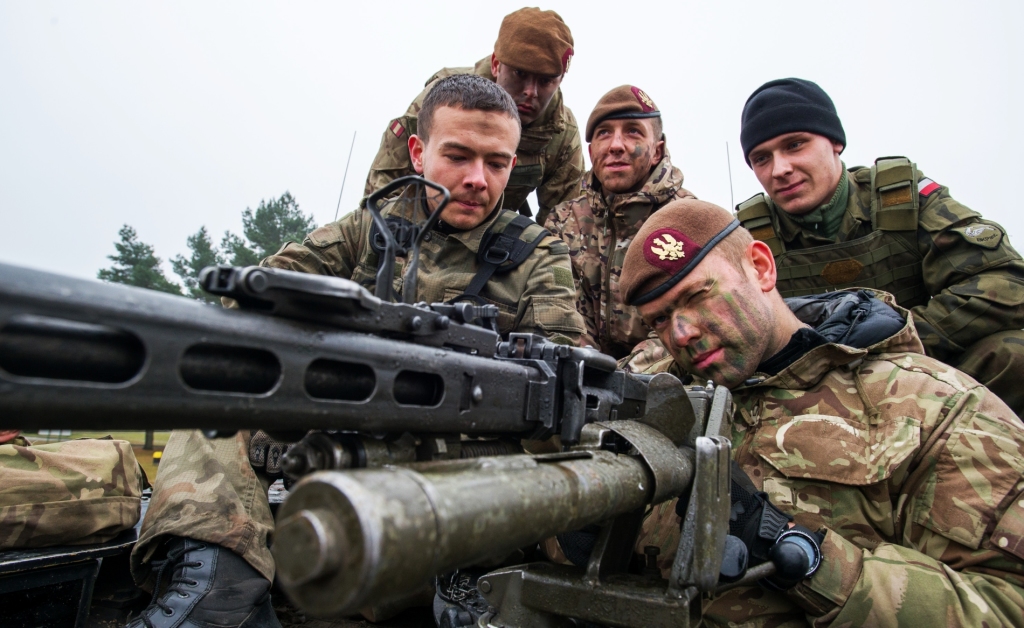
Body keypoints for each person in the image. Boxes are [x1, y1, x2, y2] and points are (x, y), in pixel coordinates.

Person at [127, 74, 584, 628]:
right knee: (217, 395)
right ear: (418, 152)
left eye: (497, 163)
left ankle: (459, 575)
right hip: (348, 418)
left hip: (468, 454)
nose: (476, 180)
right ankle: (221, 584)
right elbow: (267, 288)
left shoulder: (537, 255)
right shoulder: (371, 229)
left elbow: (560, 379)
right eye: (458, 156)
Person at [619, 198, 1024, 626]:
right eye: (660, 320)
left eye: (697, 295)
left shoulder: (930, 406)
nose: (682, 334)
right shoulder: (659, 400)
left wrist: (795, 552)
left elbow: (1008, 604)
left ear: (759, 267)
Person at [735, 77, 1024, 415]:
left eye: (795, 145)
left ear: (834, 143)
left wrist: (896, 335)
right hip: (816, 394)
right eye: (761, 158)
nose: (780, 169)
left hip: (922, 369)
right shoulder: (748, 237)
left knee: (1012, 353)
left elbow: (1006, 283)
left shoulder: (900, 200)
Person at [363, 7, 585, 225]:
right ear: (496, 65)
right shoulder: (442, 101)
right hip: (422, 227)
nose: (531, 91)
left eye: (545, 81)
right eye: (520, 74)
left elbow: (564, 224)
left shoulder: (561, 132)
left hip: (495, 242)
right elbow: (384, 195)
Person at [544, 85, 695, 369]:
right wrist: (587, 366)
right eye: (604, 134)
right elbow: (562, 311)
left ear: (657, 150)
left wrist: (620, 376)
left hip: (668, 374)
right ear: (591, 152)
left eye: (633, 132)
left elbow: (686, 322)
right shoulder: (565, 222)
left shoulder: (690, 218)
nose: (616, 145)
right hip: (584, 372)